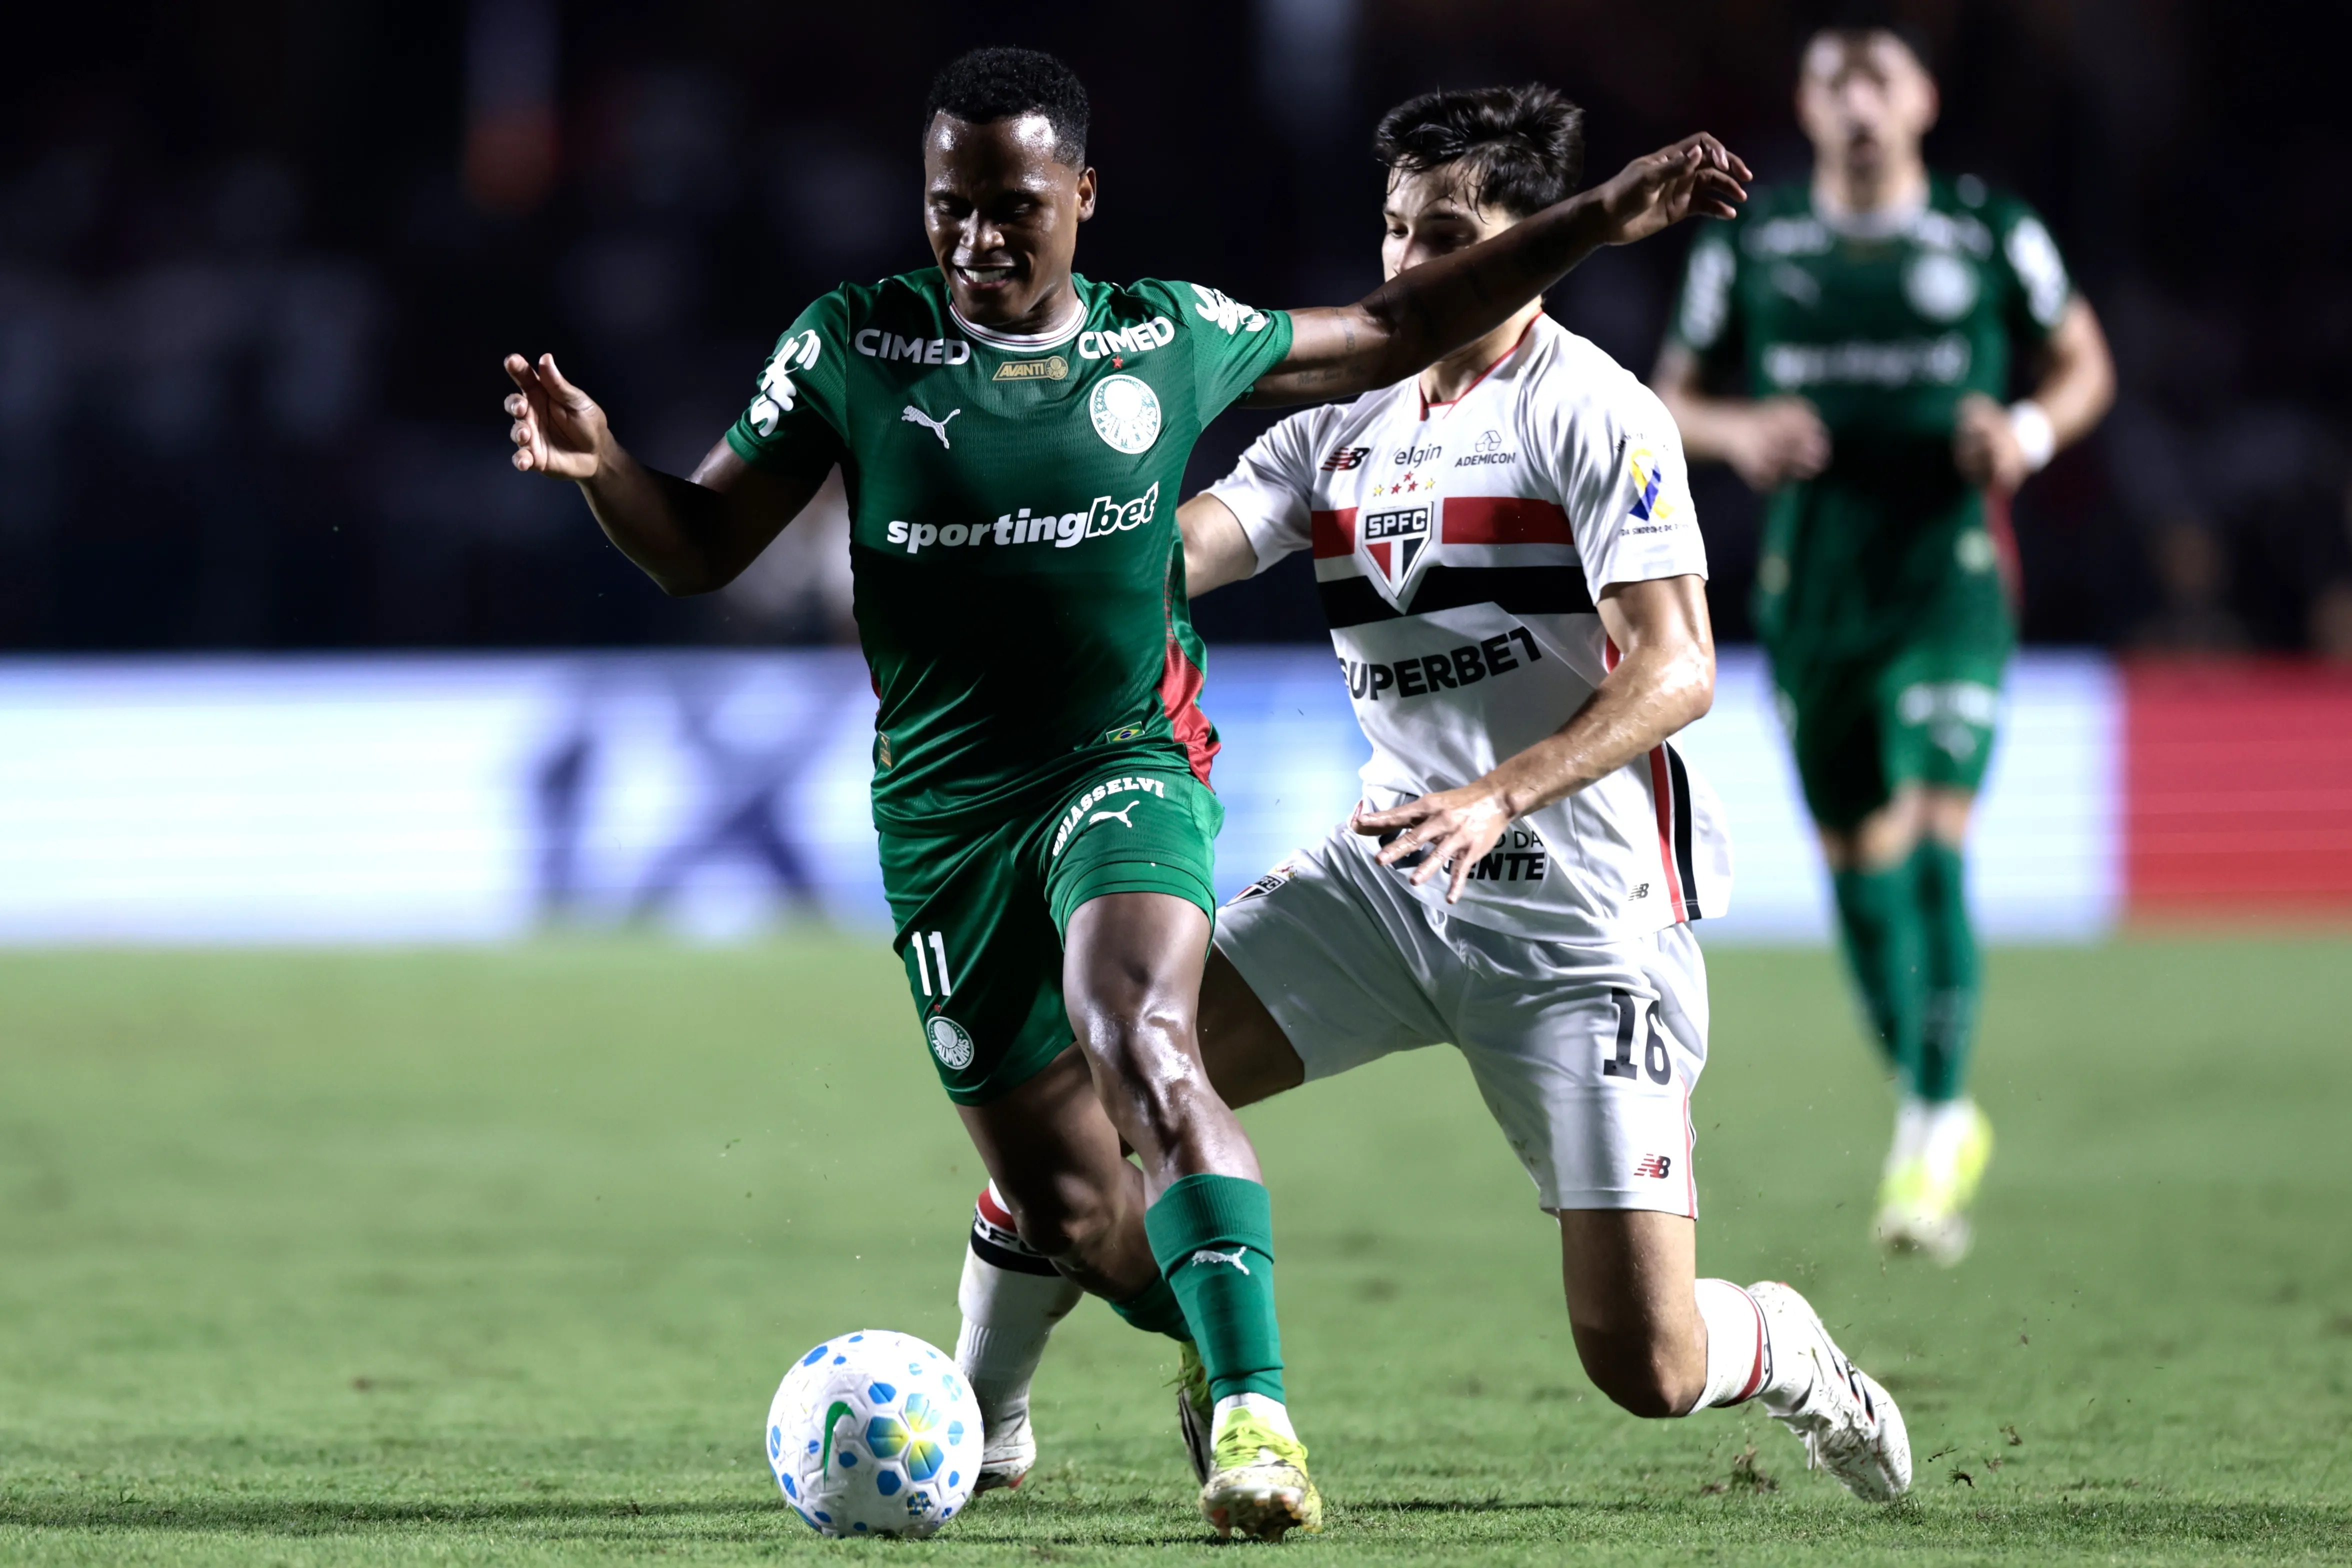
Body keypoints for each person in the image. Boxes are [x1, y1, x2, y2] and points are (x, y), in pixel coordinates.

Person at [500, 46, 1747, 1539]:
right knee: (1075, 1194)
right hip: (960, 819)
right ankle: (1093, 1372)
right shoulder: (853, 345)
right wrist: (605, 468)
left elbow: (1410, 344)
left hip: (1170, 780)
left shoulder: (1183, 339)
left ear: (1082, 197)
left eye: (1013, 206)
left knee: (1150, 1041)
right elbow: (704, 548)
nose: (977, 238)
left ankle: (1240, 1418)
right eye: (949, 206)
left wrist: (1603, 218)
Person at [950, 83, 1910, 1509]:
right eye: (1398, 229)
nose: (1410, 261)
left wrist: (1501, 795)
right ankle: (981, 1417)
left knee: (1644, 1361)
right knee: (1087, 1089)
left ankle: (1790, 1348)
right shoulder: (1350, 416)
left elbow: (1680, 667)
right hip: (1388, 882)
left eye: (1448, 233)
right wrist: (1033, 548)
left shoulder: (1595, 411)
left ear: (1529, 240)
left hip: (1580, 928)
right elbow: (1177, 552)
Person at [1652, 23, 2113, 1263]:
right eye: (1834, 83)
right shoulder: (1754, 242)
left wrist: (2026, 433)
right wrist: (1739, 432)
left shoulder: (1988, 230)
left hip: (1949, 571)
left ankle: (1935, 1117)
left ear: (1922, 100)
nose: (1859, 102)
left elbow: (2084, 363)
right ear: (1808, 109)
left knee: (1935, 839)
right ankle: (1930, 1095)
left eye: (1879, 81)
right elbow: (1672, 395)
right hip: (1817, 584)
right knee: (1857, 859)